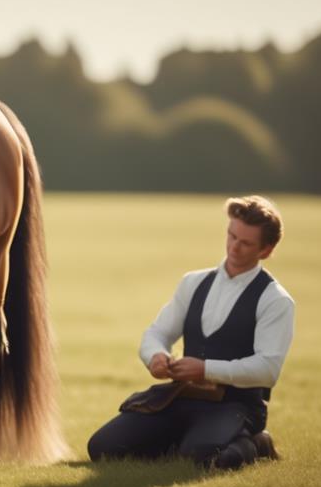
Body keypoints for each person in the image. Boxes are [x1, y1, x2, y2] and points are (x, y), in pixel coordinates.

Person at [87, 195, 295, 469]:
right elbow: (156, 333)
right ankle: (189, 441)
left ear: (266, 250)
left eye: (246, 243)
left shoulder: (276, 300)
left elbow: (267, 369)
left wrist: (205, 369)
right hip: (182, 398)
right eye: (231, 236)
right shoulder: (193, 282)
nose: (234, 247)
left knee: (200, 459)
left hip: (237, 407)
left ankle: (256, 443)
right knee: (103, 448)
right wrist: (156, 357)